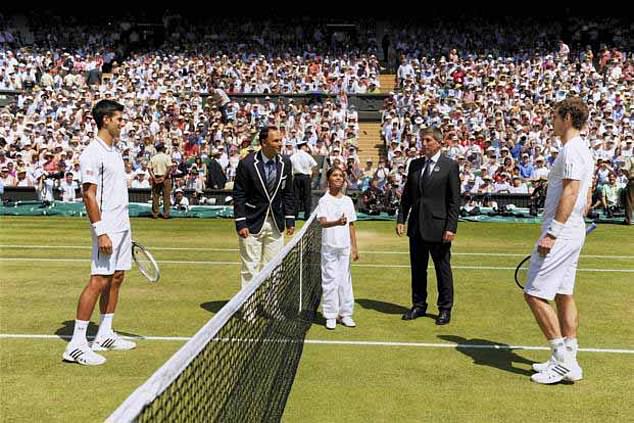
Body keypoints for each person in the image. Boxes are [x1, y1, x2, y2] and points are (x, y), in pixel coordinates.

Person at [524, 97, 594, 384]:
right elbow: (587, 199)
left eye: (555, 116)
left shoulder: (571, 151)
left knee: (534, 294)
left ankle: (561, 360)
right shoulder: (581, 150)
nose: (552, 121)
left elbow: (571, 192)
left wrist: (553, 232)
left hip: (561, 232)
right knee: (564, 294)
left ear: (567, 117)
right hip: (572, 228)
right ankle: (568, 357)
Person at [62, 100, 135, 366]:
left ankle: (104, 333)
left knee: (116, 278)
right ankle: (76, 345)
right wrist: (101, 231)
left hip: (122, 226)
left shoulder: (114, 151)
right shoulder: (92, 153)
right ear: (105, 120)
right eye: (119, 119)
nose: (122, 123)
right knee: (99, 280)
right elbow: (88, 194)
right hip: (107, 227)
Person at [396, 127, 460, 325]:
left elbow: (454, 200)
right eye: (422, 140)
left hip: (439, 227)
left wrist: (451, 227)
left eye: (428, 141)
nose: (424, 144)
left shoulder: (450, 166)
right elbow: (407, 195)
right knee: (417, 269)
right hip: (416, 226)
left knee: (442, 269)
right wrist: (401, 218)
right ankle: (419, 305)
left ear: (439, 142)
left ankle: (445, 308)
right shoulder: (414, 165)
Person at [233, 126, 295, 288]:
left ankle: (271, 306)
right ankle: (248, 311)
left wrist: (289, 219)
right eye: (275, 141)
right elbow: (239, 194)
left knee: (275, 268)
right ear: (263, 143)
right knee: (250, 269)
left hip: (276, 222)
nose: (280, 144)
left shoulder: (285, 163)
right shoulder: (247, 164)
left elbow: (288, 192)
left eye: (280, 140)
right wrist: (241, 222)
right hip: (252, 222)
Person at [316, 166, 359, 330]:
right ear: (329, 179)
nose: (338, 178)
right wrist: (337, 222)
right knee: (330, 281)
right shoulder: (324, 201)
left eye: (341, 176)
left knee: (345, 281)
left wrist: (355, 248)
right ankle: (330, 315)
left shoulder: (347, 201)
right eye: (335, 175)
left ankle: (346, 314)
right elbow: (323, 223)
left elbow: (351, 225)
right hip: (329, 247)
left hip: (344, 247)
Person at [290, 140, 318, 219]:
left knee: (296, 196)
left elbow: (290, 166)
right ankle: (307, 215)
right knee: (307, 196)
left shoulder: (293, 156)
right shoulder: (307, 155)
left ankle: (295, 215)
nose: (306, 148)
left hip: (297, 177)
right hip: (306, 177)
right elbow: (315, 165)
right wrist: (311, 177)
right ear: (303, 146)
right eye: (306, 146)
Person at [148, 142, 172, 219]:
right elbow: (169, 167)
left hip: (156, 176)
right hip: (165, 178)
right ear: (162, 149)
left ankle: (155, 213)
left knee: (156, 196)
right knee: (166, 196)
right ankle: (166, 214)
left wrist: (154, 178)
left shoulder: (153, 158)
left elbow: (149, 169)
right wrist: (164, 177)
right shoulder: (167, 157)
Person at [622, 155, 634, 225]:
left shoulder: (631, 159)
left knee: (629, 200)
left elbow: (625, 169)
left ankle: (629, 220)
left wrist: (628, 176)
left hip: (633, 180)